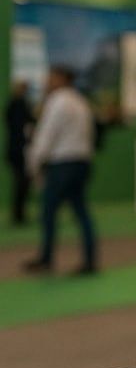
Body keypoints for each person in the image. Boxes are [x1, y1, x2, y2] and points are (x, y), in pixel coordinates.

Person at [24, 66, 98, 275]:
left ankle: (46, 258)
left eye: (50, 77)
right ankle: (90, 259)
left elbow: (46, 136)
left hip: (62, 164)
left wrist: (34, 162)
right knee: (81, 211)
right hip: (81, 162)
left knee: (48, 211)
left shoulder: (58, 102)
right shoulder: (80, 102)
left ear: (60, 78)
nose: (47, 81)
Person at [5, 80, 35, 226]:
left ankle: (19, 213)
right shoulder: (19, 104)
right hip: (19, 151)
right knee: (21, 183)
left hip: (17, 150)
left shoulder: (14, 104)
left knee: (21, 183)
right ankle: (18, 214)